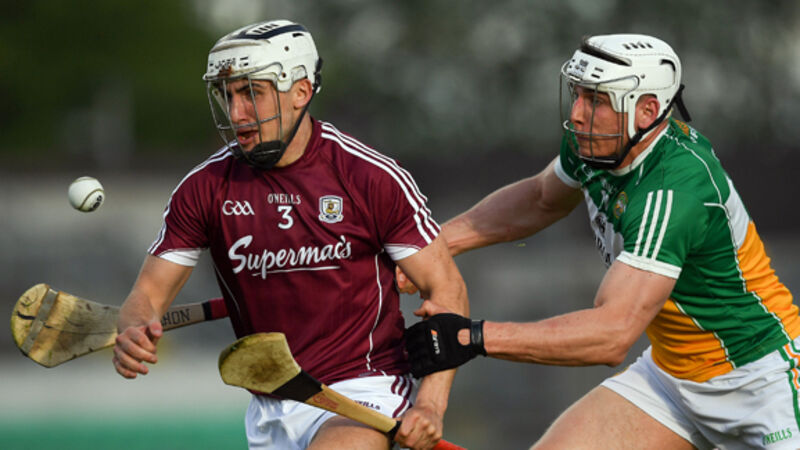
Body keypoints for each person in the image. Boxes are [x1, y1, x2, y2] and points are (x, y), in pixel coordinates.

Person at [401, 33, 800, 449]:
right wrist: (429, 246)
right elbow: (539, 199)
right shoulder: (601, 144)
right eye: (577, 94)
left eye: (596, 100)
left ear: (646, 111)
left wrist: (472, 337)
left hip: (762, 383)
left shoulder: (673, 190)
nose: (577, 114)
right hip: (671, 380)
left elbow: (612, 334)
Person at [112, 19, 468, 450]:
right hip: (270, 407)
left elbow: (446, 288)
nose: (236, 113)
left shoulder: (369, 177)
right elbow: (147, 295)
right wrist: (133, 327)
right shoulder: (205, 187)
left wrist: (430, 404)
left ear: (300, 91)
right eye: (227, 95)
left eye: (251, 93)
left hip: (364, 389)